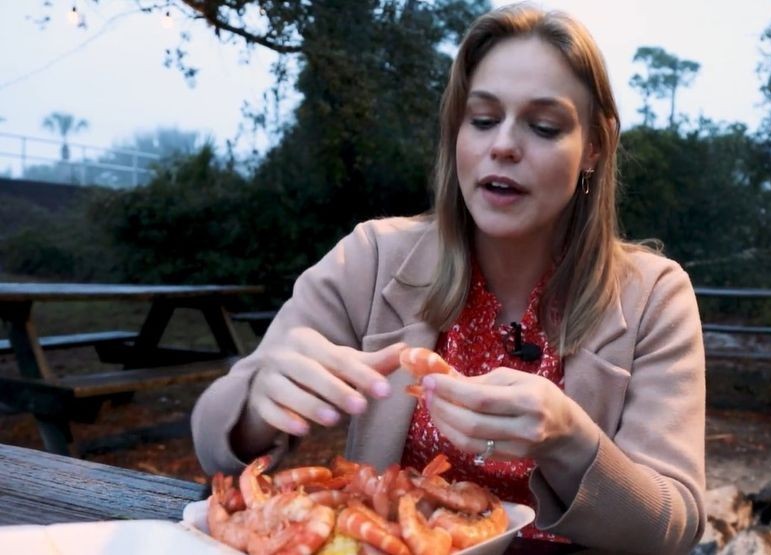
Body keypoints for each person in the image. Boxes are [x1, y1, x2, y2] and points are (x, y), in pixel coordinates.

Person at [192, 4, 706, 553]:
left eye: (544, 126)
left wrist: (572, 442)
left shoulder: (654, 297)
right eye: (482, 119)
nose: (503, 145)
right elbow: (212, 440)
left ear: (596, 147)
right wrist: (255, 406)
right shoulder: (371, 259)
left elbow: (671, 528)